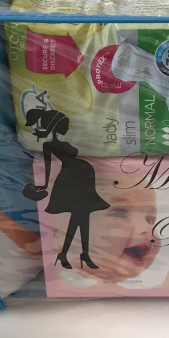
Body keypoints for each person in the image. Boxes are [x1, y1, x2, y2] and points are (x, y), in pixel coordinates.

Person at [24, 108, 109, 270]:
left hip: (83, 179)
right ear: (56, 126)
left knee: (82, 219)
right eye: (64, 125)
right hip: (72, 180)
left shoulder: (63, 141)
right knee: (80, 218)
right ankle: (76, 254)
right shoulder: (49, 145)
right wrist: (44, 184)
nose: (67, 128)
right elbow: (47, 166)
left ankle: (74, 254)